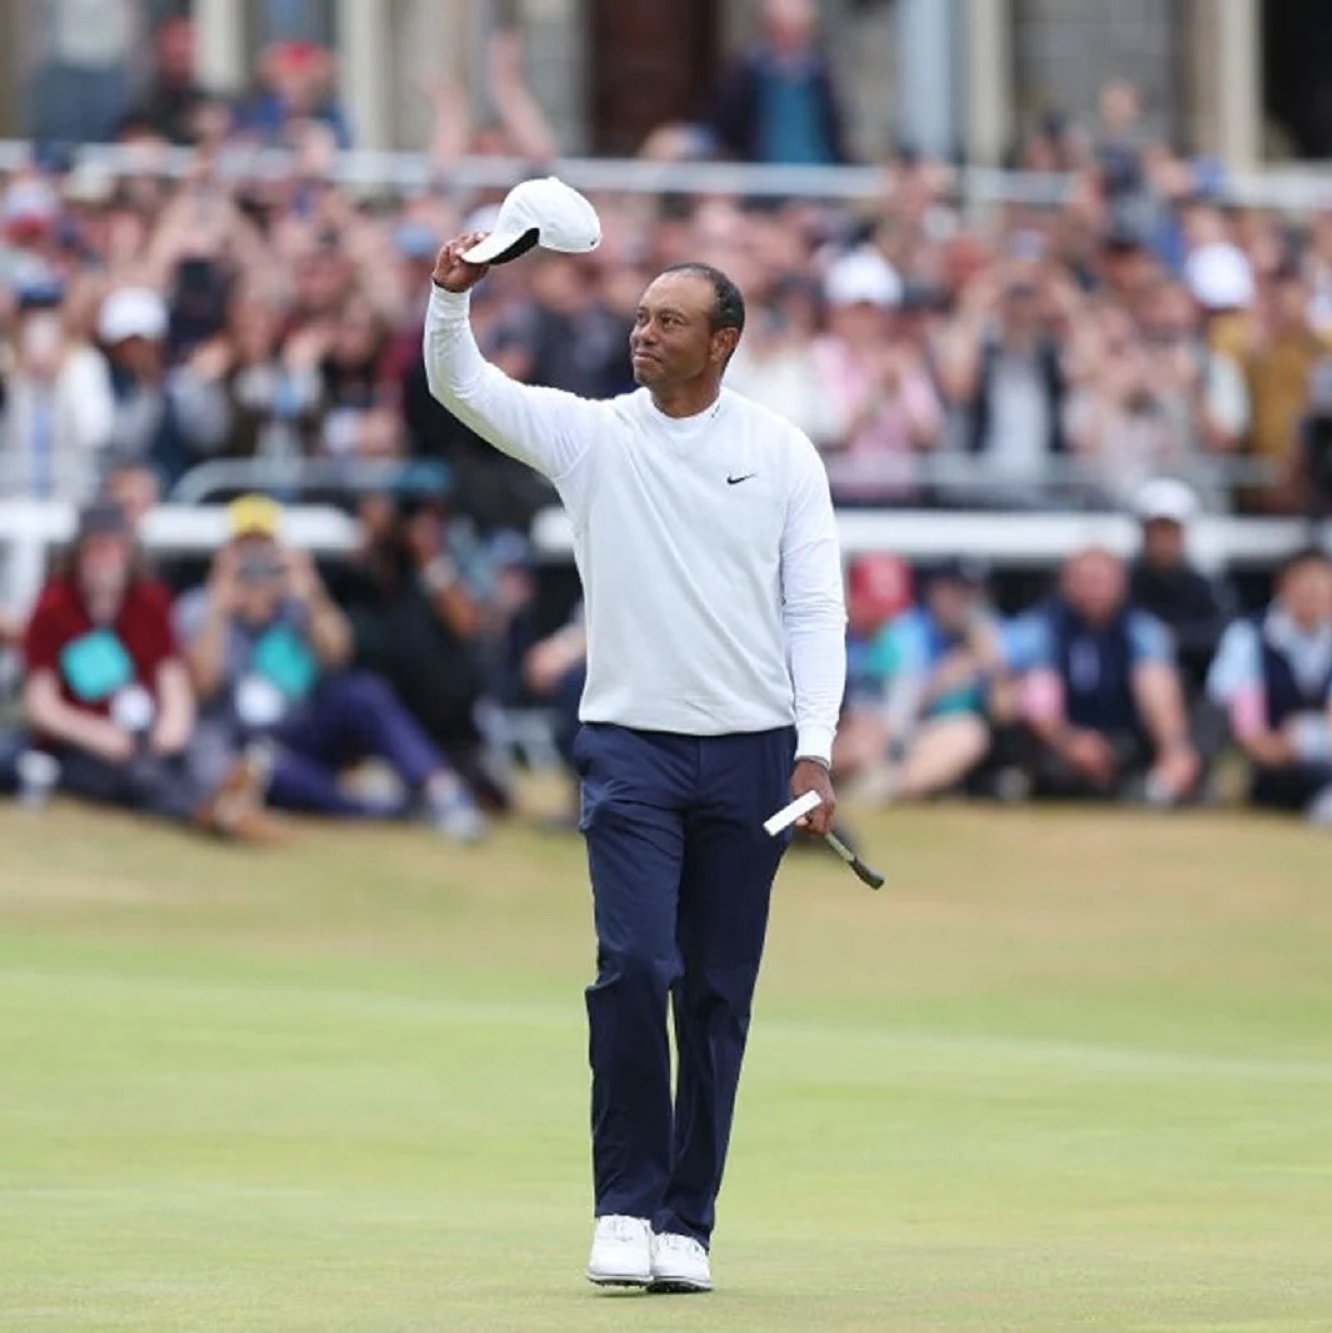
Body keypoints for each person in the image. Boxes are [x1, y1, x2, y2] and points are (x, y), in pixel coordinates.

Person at [426, 224, 845, 1293]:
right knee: (634, 969)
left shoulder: (782, 451)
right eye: (641, 317)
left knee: (714, 992)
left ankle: (686, 1224)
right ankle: (623, 1204)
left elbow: (815, 608)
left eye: (669, 320)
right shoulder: (593, 436)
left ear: (725, 341)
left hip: (753, 760)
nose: (643, 334)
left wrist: (815, 751)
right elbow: (465, 385)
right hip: (631, 751)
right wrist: (451, 296)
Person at [174, 495, 486, 842]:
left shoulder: (294, 604)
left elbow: (339, 652)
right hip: (240, 742)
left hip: (300, 729)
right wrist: (221, 606)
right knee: (259, 766)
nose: (256, 562)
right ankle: (382, 808)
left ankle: (441, 790)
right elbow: (201, 685)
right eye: (246, 549)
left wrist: (310, 591)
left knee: (363, 693)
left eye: (264, 548)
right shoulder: (200, 608)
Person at [20, 499, 275, 839]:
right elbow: (42, 705)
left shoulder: (149, 601)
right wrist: (97, 733)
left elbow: (172, 680)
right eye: (96, 549)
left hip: (143, 732)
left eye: (113, 548)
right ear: (78, 554)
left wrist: (172, 728)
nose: (104, 560)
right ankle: (209, 814)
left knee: (193, 752)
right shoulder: (54, 606)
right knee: (135, 775)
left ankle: (225, 803)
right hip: (83, 742)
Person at [1002, 548, 1200, 803]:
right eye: (1085, 580)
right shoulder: (1044, 628)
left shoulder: (1141, 631)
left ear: (1120, 585)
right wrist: (1071, 743)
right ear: (1066, 583)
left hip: (1122, 735)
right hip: (1060, 740)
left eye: (1101, 581)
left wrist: (1174, 748)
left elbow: (1159, 692)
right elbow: (1040, 701)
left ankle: (1157, 782)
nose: (1093, 590)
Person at [835, 559, 999, 803]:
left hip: (915, 741)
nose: (965, 602)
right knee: (861, 744)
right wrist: (940, 682)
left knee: (968, 735)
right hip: (877, 733)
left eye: (971, 593)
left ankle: (884, 789)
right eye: (956, 591)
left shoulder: (985, 635)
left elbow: (1005, 706)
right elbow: (879, 710)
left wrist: (993, 669)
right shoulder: (903, 633)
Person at [1207, 548, 1332, 825]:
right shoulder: (1248, 637)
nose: (1314, 594)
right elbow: (1245, 726)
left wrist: (1308, 739)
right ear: (1282, 585)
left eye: (1322, 585)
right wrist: (1281, 748)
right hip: (1265, 764)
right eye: (1305, 583)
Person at [1128, 479, 1236, 695]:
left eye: (1170, 531)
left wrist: (1175, 638)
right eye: (1156, 531)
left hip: (1195, 688)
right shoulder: (1123, 585)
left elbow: (1226, 634)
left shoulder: (1208, 588)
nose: (1163, 540)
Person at [710, 0, 846, 165]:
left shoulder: (820, 76)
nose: (789, 38)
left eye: (797, 30)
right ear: (766, 28)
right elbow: (720, 130)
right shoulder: (745, 75)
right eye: (781, 29)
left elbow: (836, 138)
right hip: (762, 179)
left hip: (819, 178)